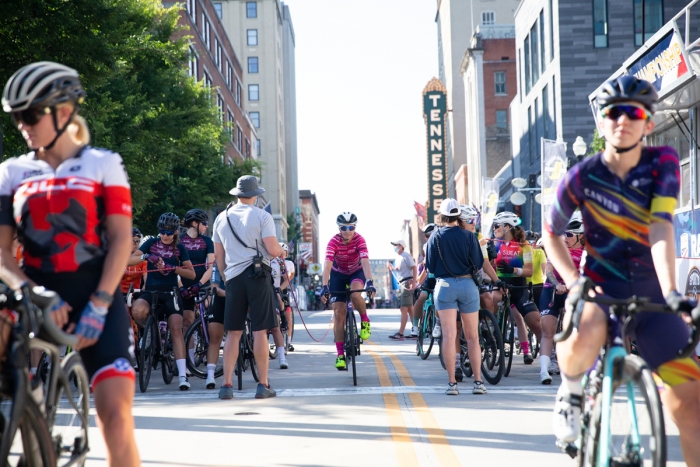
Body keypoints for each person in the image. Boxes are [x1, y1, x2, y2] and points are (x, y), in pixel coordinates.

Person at [544, 76, 700, 465]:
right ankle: (571, 390)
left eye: (634, 113)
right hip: (600, 285)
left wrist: (670, 293)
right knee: (587, 326)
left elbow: (661, 225)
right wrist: (575, 282)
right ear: (602, 122)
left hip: (650, 290)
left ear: (648, 123)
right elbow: (551, 233)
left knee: (692, 404)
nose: (622, 120)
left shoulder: (662, 163)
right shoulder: (581, 176)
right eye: (614, 112)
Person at [0, 61, 139, 466]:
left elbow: (121, 239)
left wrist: (98, 304)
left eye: (29, 115)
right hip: (34, 294)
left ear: (63, 111)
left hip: (96, 294)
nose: (22, 125)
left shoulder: (102, 163)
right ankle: (29, 412)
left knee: (115, 416)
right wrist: (33, 291)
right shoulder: (12, 172)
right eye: (15, 117)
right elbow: (2, 252)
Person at [213, 175, 283, 399]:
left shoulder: (220, 218)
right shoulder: (262, 216)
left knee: (232, 332)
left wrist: (226, 276)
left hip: (233, 278)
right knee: (260, 330)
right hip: (257, 276)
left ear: (237, 194)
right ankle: (263, 384)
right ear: (256, 195)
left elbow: (218, 255)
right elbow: (272, 249)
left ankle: (226, 385)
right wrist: (282, 251)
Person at [128, 212, 196, 390]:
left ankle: (182, 375)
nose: (165, 236)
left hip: (171, 292)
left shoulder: (180, 248)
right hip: (151, 291)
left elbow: (191, 273)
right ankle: (150, 333)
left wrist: (174, 268)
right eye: (163, 232)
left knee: (176, 328)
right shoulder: (151, 243)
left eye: (169, 232)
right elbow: (128, 259)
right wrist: (145, 257)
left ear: (175, 232)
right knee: (137, 310)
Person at [425, 199, 486, 395]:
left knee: (449, 336)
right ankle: (478, 382)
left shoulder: (435, 237)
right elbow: (478, 263)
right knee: (473, 337)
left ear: (442, 215)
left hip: (445, 286)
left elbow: (430, 267)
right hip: (468, 285)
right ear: (459, 215)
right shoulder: (469, 236)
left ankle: (452, 384)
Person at [320, 211, 374, 370]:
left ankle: (364, 319)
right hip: (338, 275)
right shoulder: (333, 242)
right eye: (344, 228)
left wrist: (369, 281)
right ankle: (340, 355)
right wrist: (325, 286)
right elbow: (327, 265)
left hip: (356, 272)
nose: (348, 231)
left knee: (356, 294)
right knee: (338, 314)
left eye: (351, 227)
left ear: (355, 227)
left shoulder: (360, 240)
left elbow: (365, 262)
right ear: (339, 228)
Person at [491, 211, 542, 366]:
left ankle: (551, 355)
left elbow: (529, 271)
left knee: (535, 322)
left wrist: (513, 270)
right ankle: (489, 329)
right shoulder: (494, 243)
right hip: (501, 285)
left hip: (519, 286)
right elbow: (489, 266)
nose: (494, 229)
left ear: (507, 227)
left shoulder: (524, 245)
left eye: (497, 226)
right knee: (492, 299)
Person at [538, 213, 583, 385]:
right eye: (564, 234)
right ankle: (544, 371)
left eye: (570, 235)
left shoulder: (586, 251)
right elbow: (549, 270)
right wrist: (557, 284)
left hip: (574, 291)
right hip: (552, 289)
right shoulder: (559, 247)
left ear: (580, 236)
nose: (565, 238)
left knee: (570, 330)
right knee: (548, 332)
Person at [179, 208, 215, 373]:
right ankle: (190, 362)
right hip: (184, 285)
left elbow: (211, 267)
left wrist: (199, 285)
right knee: (187, 322)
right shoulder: (179, 241)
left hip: (202, 284)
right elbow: (175, 266)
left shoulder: (208, 242)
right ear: (195, 223)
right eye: (204, 223)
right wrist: (182, 286)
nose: (206, 226)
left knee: (208, 314)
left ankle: (210, 351)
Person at [387, 239, 417, 339]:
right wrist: (392, 267)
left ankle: (401, 333)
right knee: (410, 309)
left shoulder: (406, 256)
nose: (395, 247)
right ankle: (415, 331)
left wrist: (413, 281)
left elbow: (414, 267)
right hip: (403, 283)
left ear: (401, 246)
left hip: (407, 283)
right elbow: (400, 270)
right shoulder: (399, 258)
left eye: (396, 245)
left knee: (403, 308)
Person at [413, 223, 437, 336]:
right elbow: (427, 265)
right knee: (422, 297)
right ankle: (415, 325)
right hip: (431, 277)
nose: (427, 238)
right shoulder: (426, 246)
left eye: (428, 236)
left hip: (441, 277)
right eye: (426, 236)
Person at [121, 227, 147, 294]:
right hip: (118, 295)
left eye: (138, 241)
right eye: (133, 241)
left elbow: (146, 282)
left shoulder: (142, 259)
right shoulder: (118, 257)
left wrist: (141, 295)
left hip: (135, 294)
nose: (136, 244)